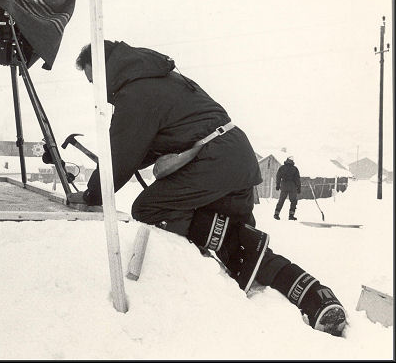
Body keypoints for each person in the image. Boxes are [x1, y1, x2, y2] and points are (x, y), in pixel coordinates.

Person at [70, 40, 347, 336]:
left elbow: (119, 156)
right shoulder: (157, 75)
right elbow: (155, 140)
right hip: (234, 157)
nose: (95, 88)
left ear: (103, 68)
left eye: (92, 79)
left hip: (214, 162)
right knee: (243, 251)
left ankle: (241, 247)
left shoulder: (134, 91)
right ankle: (315, 298)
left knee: (148, 207)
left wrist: (92, 195)